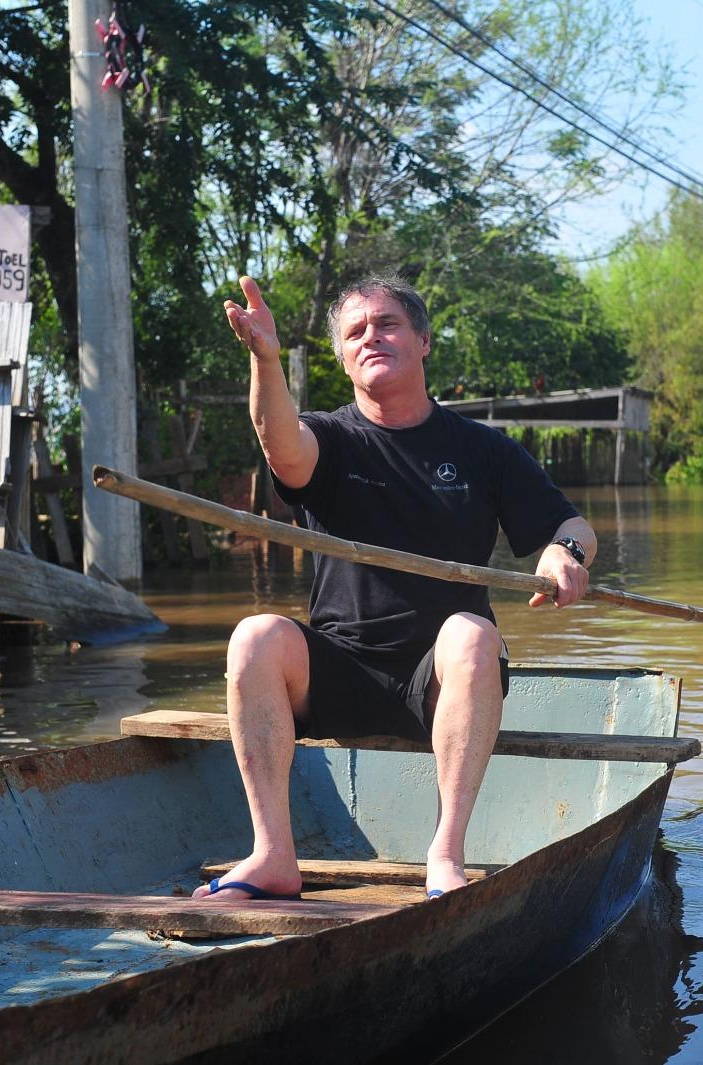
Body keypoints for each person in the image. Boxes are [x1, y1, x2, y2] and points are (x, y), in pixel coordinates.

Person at [194, 274, 595, 902]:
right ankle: (272, 855)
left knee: (471, 633)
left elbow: (571, 525)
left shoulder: (482, 451)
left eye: (387, 324)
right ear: (343, 357)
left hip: (441, 683)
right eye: (355, 332)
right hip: (338, 669)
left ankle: (445, 856)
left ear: (425, 341)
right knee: (255, 636)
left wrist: (564, 554)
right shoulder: (328, 439)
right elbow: (281, 449)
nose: (370, 338)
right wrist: (265, 360)